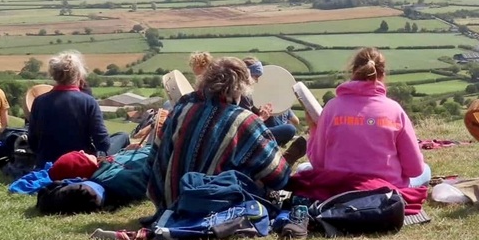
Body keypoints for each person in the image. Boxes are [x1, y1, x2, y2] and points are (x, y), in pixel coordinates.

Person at [149, 57, 297, 211]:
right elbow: (279, 177)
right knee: (259, 172)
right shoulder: (244, 120)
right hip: (214, 206)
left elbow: (154, 159)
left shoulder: (181, 110)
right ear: (241, 88)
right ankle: (283, 160)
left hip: (169, 203)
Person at [306, 48, 428, 188]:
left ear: (353, 71)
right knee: (426, 170)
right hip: (385, 192)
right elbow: (415, 169)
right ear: (382, 74)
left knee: (304, 168)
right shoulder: (394, 110)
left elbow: (319, 163)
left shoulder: (331, 108)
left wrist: (313, 130)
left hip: (339, 190)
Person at [28, 51, 114, 167]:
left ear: (54, 75)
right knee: (122, 136)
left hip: (46, 164)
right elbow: (103, 143)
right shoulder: (89, 102)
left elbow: (33, 143)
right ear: (79, 75)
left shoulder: (39, 101)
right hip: (78, 165)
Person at [242, 56, 301, 145]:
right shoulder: (243, 96)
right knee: (289, 129)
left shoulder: (244, 94)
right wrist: (262, 117)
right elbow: (245, 128)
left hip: (255, 132)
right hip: (248, 136)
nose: (257, 81)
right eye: (256, 76)